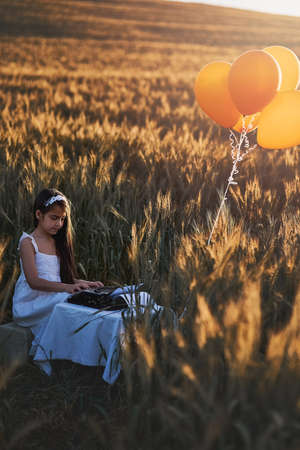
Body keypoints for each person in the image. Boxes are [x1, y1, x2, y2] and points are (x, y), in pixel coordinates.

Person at [12, 188, 104, 354]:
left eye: (62, 219)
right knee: (69, 298)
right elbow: (34, 281)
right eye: (54, 218)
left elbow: (61, 278)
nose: (59, 224)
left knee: (84, 295)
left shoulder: (57, 242)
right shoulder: (28, 242)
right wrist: (67, 288)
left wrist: (85, 283)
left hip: (54, 293)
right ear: (39, 215)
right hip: (31, 301)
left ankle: (84, 349)